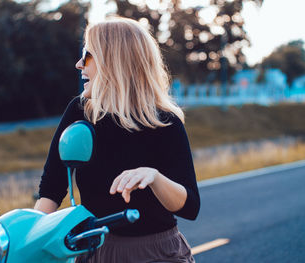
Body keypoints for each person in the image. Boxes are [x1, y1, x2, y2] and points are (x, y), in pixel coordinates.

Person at [34, 16, 200, 263]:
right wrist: (27, 238)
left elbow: (190, 207)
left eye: (87, 55)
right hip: (92, 251)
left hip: (156, 254)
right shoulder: (79, 112)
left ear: (113, 62)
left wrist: (154, 177)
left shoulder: (165, 121)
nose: (79, 64)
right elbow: (51, 189)